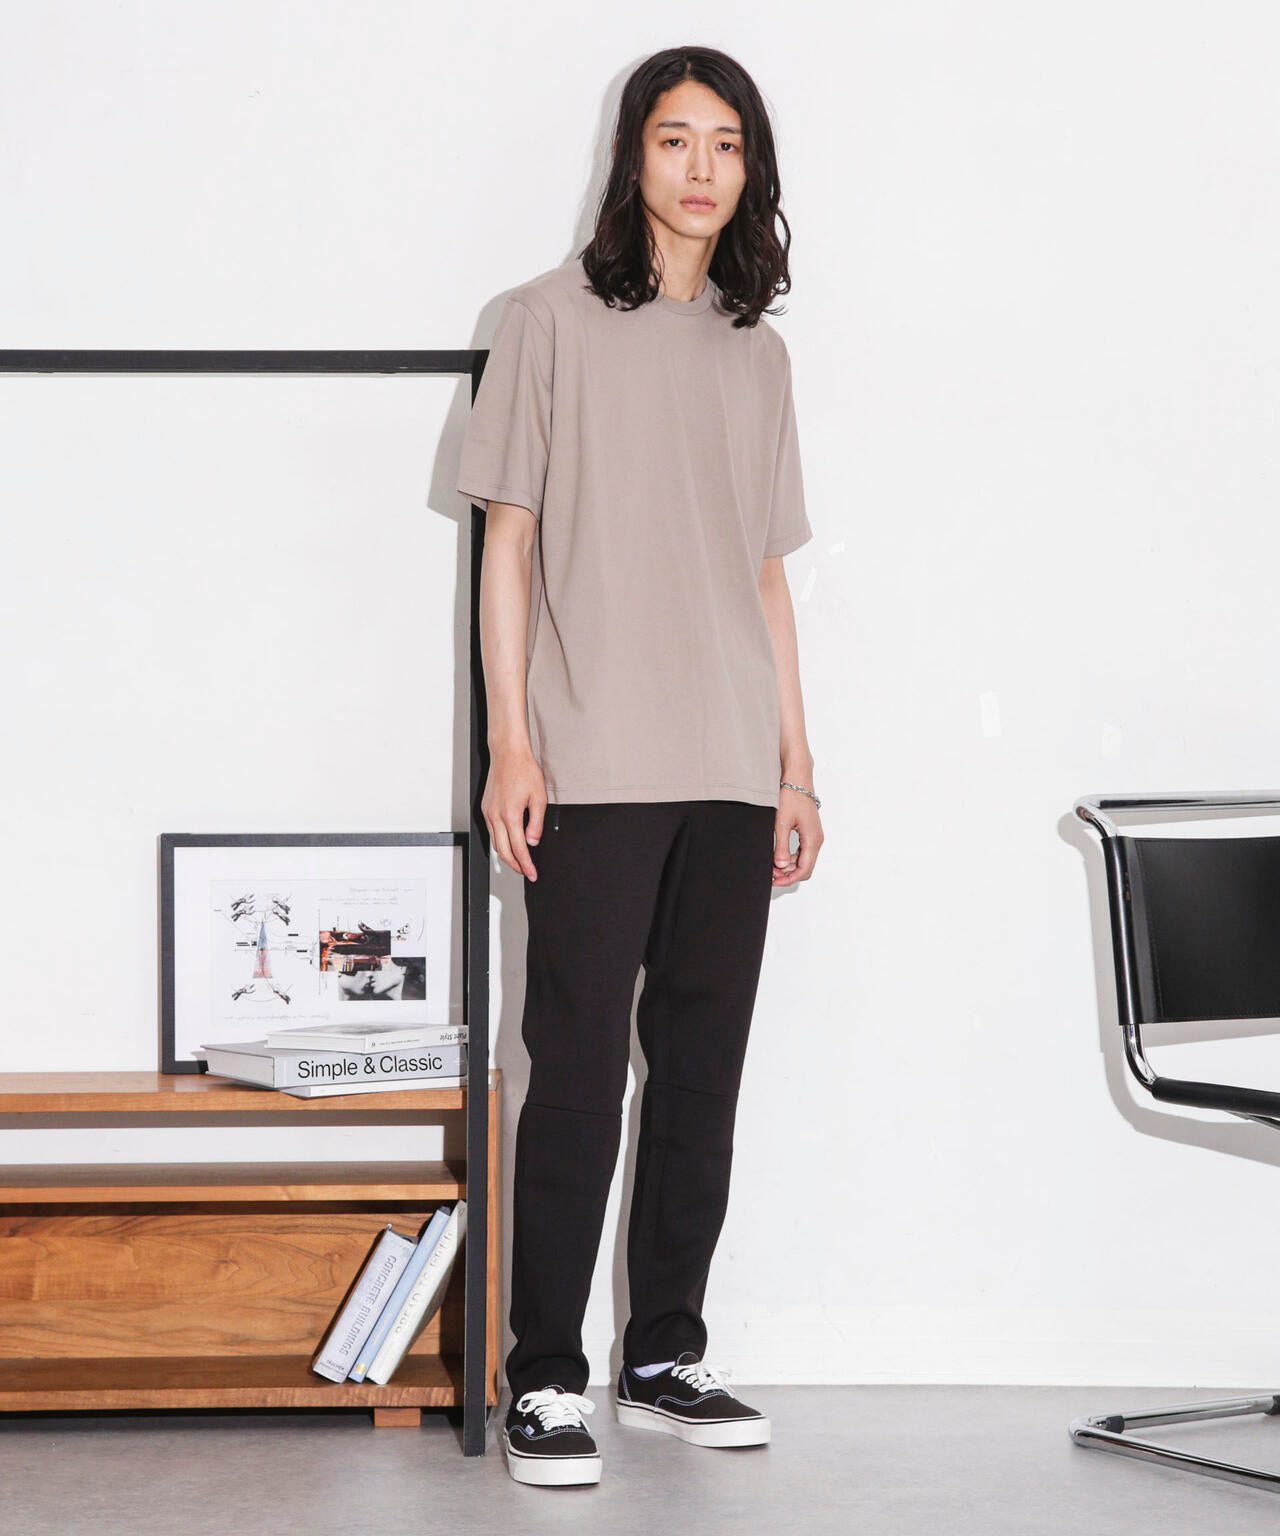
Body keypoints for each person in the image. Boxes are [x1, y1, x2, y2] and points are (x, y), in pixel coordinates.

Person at [456, 43, 822, 1488]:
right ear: (633, 158)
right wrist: (512, 739)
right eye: (675, 139)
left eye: (726, 144)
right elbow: (508, 541)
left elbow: (766, 577)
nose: (700, 168)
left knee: (702, 1071)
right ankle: (544, 1374)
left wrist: (796, 763)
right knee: (574, 1072)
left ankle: (666, 1354)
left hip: (730, 763)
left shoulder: (758, 352)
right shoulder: (542, 321)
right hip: (594, 757)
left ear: (751, 170)